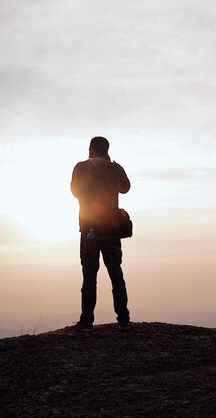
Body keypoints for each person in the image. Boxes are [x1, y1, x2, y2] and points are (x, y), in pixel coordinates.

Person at [70, 136, 131, 330]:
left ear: (91, 150)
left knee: (89, 277)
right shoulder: (114, 169)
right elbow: (126, 188)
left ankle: (87, 322)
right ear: (107, 151)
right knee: (116, 274)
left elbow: (74, 191)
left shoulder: (80, 168)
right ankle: (123, 320)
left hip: (88, 231)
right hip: (111, 230)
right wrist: (111, 164)